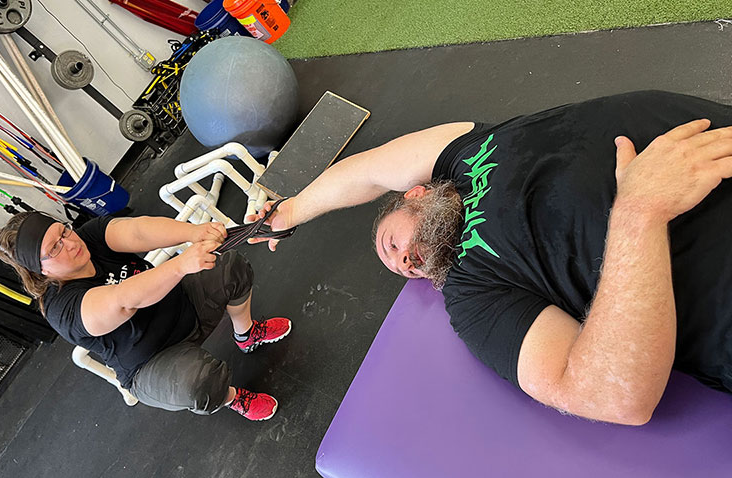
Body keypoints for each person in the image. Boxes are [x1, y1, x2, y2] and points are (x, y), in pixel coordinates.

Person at [250, 90, 732, 426]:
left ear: (415, 194)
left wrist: (291, 209)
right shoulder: (470, 295)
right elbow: (609, 395)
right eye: (404, 270)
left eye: (392, 245)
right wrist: (640, 210)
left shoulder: (464, 149)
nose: (406, 263)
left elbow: (370, 172)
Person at [0, 213, 292, 421]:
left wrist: (194, 232)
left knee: (229, 266)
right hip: (149, 362)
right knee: (200, 384)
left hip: (183, 306)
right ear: (40, 270)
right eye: (55, 248)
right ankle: (232, 398)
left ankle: (246, 334)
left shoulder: (89, 238)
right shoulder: (62, 309)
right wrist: (179, 266)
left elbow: (138, 231)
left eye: (63, 231)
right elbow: (124, 301)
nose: (70, 244)